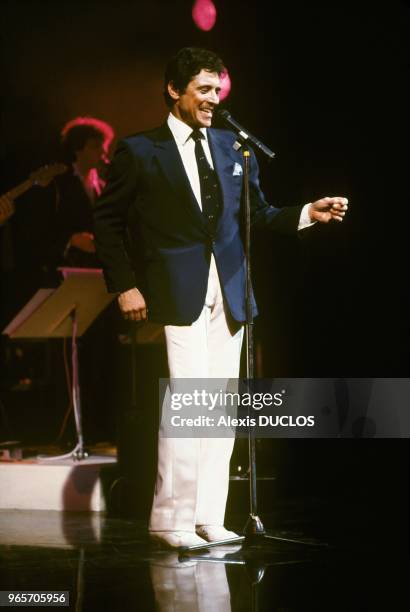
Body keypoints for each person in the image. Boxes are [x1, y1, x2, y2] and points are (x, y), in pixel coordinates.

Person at [93, 47, 348, 549]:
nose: (213, 100)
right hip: (177, 287)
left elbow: (260, 213)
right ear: (175, 89)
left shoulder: (234, 147)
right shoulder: (141, 150)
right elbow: (107, 222)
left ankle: (209, 515)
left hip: (230, 289)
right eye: (204, 90)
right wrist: (124, 284)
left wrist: (305, 214)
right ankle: (171, 519)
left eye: (218, 91)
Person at [54, 116, 114, 268]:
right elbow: (43, 227)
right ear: (77, 149)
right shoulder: (58, 184)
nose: (103, 151)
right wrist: (70, 239)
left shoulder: (103, 186)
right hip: (67, 269)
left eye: (103, 145)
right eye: (95, 146)